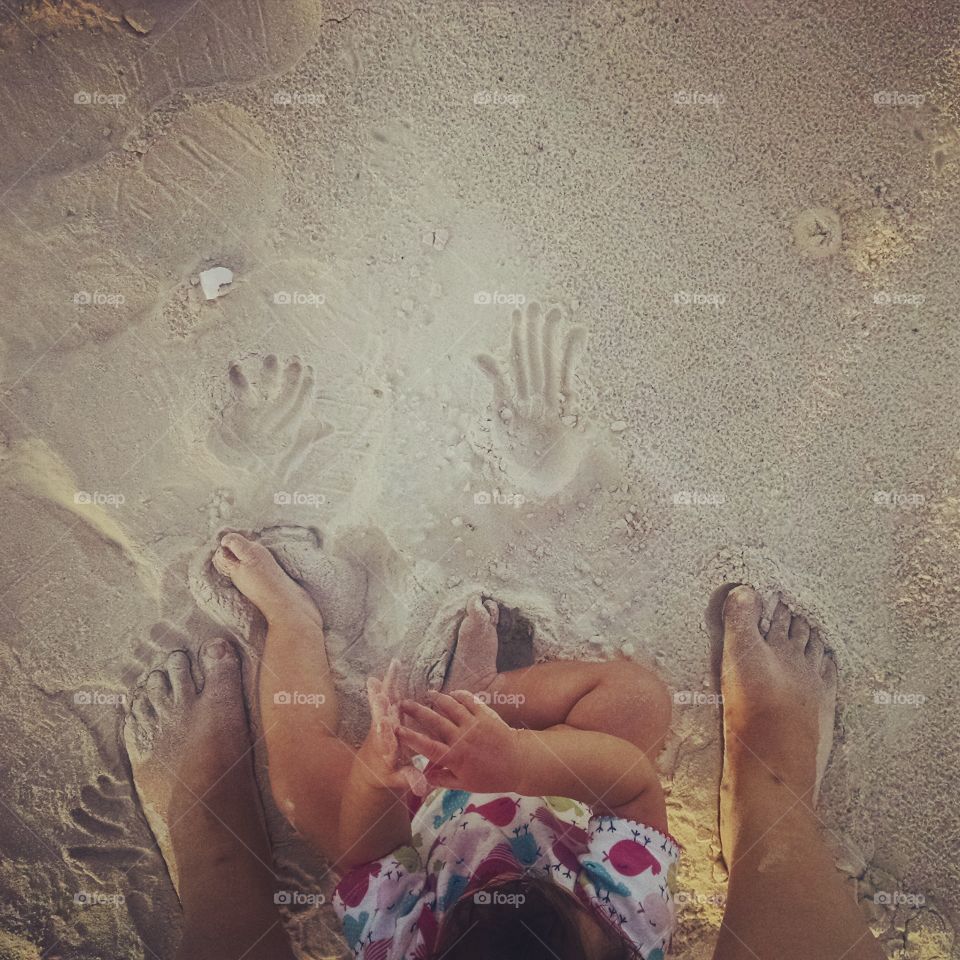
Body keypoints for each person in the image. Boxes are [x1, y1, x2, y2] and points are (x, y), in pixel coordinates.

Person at [122, 535, 883, 960]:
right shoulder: (627, 909)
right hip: (556, 791)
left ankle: (292, 626)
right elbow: (630, 791)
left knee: (296, 783)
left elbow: (368, 855)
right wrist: (519, 762)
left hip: (416, 825)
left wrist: (380, 774)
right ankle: (482, 697)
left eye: (475, 909)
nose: (504, 875)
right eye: (540, 897)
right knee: (639, 703)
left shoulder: (397, 942)